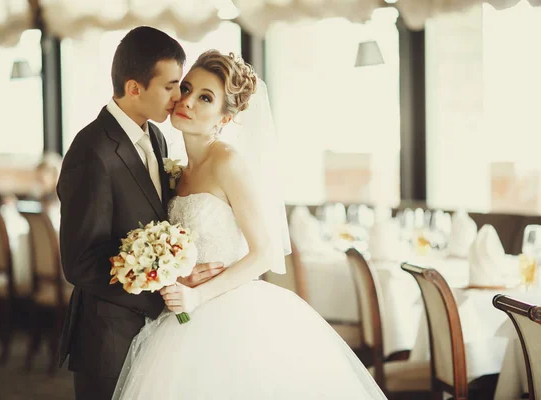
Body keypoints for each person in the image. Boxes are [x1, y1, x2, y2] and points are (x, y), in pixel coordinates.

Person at [111, 50, 387, 400]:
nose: (188, 101)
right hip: (183, 313)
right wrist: (178, 278)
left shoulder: (227, 161)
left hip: (230, 313)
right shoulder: (177, 169)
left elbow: (266, 252)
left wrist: (198, 296)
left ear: (223, 119)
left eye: (205, 98)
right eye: (187, 88)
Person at [57, 27, 225, 400]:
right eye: (170, 86)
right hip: (108, 338)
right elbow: (81, 263)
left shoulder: (156, 135)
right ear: (134, 88)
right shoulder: (91, 152)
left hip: (155, 335)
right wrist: (164, 291)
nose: (178, 97)